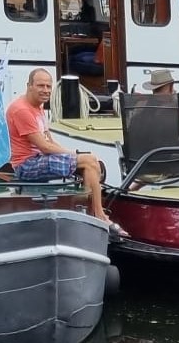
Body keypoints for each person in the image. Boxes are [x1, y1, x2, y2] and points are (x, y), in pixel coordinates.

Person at [7, 68, 113, 226]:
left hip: (39, 158)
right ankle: (98, 214)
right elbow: (45, 147)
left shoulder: (38, 107)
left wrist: (76, 156)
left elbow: (49, 141)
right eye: (40, 85)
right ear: (29, 86)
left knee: (92, 163)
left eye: (48, 86)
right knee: (89, 161)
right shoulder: (22, 110)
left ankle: (83, 204)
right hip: (26, 165)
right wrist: (74, 154)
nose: (45, 90)